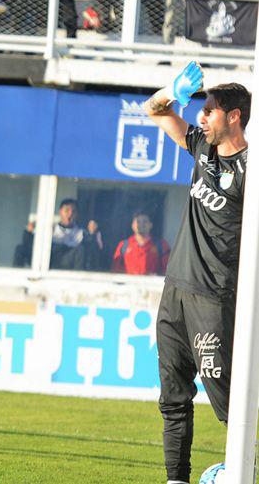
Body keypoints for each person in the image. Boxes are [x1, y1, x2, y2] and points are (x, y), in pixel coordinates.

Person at [141, 61, 248, 484]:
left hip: (214, 298)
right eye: (201, 109)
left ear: (234, 117)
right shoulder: (201, 147)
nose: (201, 117)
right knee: (173, 398)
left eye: (210, 110)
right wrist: (171, 90)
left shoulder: (252, 171)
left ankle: (242, 472)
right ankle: (176, 480)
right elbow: (153, 110)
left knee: (230, 403)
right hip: (175, 292)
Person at [50, 198, 103, 270]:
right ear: (60, 212)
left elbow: (94, 255)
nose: (70, 214)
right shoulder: (50, 230)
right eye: (67, 211)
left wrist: (93, 235)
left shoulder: (82, 234)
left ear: (77, 214)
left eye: (73, 212)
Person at [111, 211, 171, 275]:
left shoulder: (162, 245)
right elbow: (115, 270)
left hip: (152, 281)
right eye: (138, 221)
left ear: (150, 225)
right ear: (132, 225)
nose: (141, 224)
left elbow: (168, 270)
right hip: (128, 281)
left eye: (145, 221)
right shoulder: (123, 245)